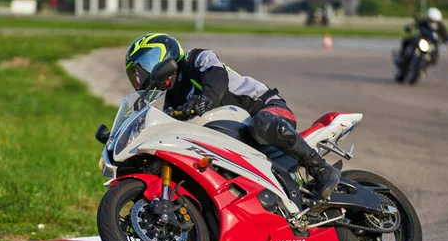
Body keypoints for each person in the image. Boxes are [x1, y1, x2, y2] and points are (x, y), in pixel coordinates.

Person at [124, 33, 341, 201]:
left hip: (264, 108)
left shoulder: (196, 59)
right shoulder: (173, 97)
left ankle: (320, 168)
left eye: (141, 69)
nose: (140, 79)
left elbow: (216, 78)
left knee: (262, 125)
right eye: (135, 75)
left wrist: (207, 99)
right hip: (236, 134)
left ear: (160, 57)